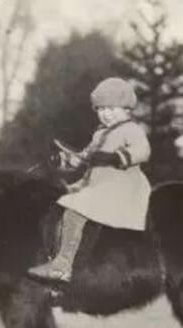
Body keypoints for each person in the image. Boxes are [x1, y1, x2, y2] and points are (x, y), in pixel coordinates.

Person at [27, 77, 151, 286]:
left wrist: (115, 157)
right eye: (101, 109)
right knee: (57, 201)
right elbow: (84, 158)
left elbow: (142, 151)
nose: (105, 114)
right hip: (96, 185)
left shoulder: (131, 130)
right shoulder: (100, 134)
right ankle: (54, 256)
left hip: (121, 187)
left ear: (127, 109)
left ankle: (62, 267)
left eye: (111, 108)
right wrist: (65, 160)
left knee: (74, 211)